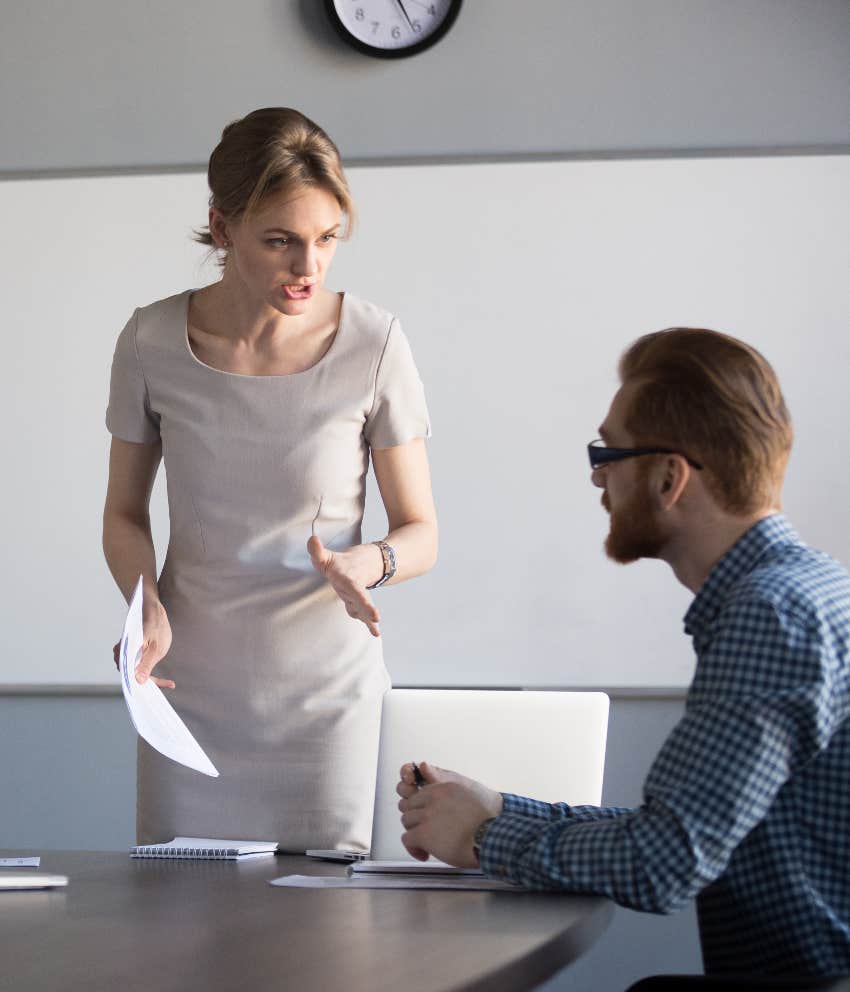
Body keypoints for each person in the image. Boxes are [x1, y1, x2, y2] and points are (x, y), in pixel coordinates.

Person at [397, 328, 850, 980]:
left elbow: (661, 865)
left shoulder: (770, 616)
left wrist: (483, 836)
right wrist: (495, 809)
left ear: (670, 477)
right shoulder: (806, 588)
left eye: (608, 453)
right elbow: (677, 828)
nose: (597, 477)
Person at [104, 107, 437, 851]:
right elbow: (124, 513)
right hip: (188, 691)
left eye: (326, 240)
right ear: (222, 229)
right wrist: (144, 605)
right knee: (181, 933)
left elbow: (422, 531)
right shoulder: (151, 341)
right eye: (280, 241)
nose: (308, 267)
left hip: (328, 704)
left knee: (327, 942)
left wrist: (371, 561)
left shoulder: (375, 343)